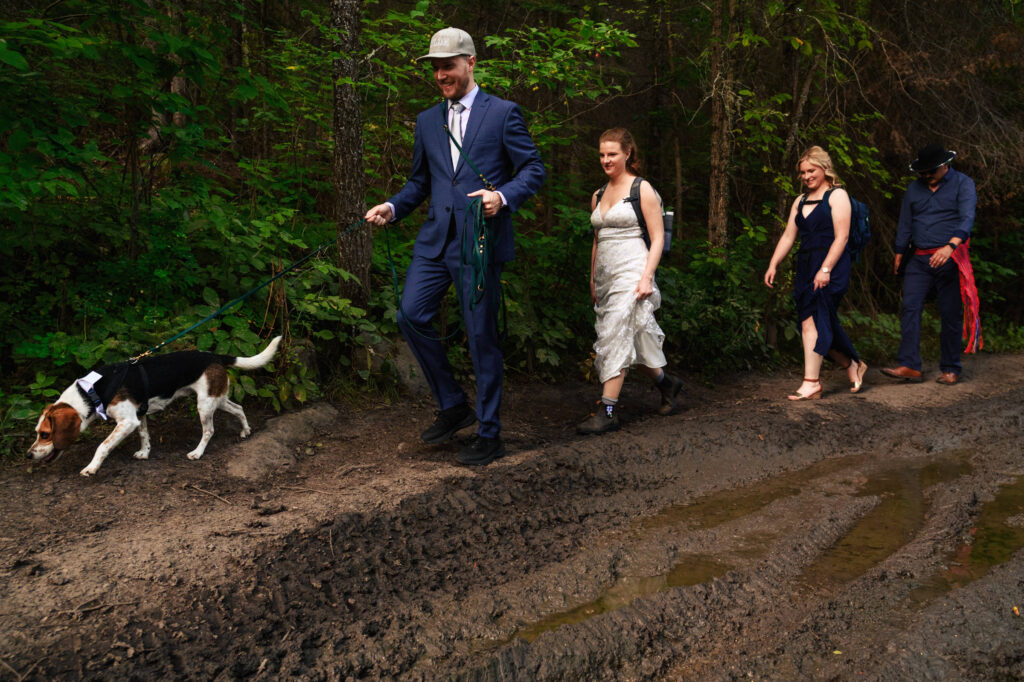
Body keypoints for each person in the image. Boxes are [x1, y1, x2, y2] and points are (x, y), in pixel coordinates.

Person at [364, 27, 546, 465]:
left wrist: (501, 197)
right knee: (410, 315)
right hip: (434, 242)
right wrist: (392, 206)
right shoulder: (428, 121)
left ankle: (489, 433)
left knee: (481, 335)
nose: (441, 74)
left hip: (479, 244)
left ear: (470, 63)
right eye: (435, 68)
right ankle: (453, 405)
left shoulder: (503, 113)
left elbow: (533, 170)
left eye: (448, 65)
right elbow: (420, 182)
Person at [577, 128, 682, 435]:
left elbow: (659, 236)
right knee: (632, 336)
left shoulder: (642, 189)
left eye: (612, 154)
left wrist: (648, 276)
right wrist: (593, 278)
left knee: (615, 335)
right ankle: (668, 384)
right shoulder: (598, 195)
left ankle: (608, 410)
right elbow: (597, 240)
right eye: (602, 154)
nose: (606, 160)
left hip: (634, 270)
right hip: (606, 276)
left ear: (627, 154)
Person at [764, 146, 867, 400]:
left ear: (824, 169)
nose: (806, 176)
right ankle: (851, 363)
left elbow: (841, 238)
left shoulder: (837, 196)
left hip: (831, 265)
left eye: (811, 170)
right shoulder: (799, 201)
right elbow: (789, 235)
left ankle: (812, 383)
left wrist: (825, 269)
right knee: (815, 321)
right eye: (802, 172)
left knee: (815, 319)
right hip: (806, 265)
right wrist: (773, 263)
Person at [882, 143, 980, 385]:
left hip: (950, 257)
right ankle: (910, 365)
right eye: (922, 172)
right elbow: (905, 222)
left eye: (931, 171)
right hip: (919, 258)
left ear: (945, 165)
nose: (926, 176)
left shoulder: (963, 184)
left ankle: (950, 368)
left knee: (950, 313)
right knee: (910, 308)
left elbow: (967, 218)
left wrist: (950, 247)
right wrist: (898, 252)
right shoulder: (914, 190)